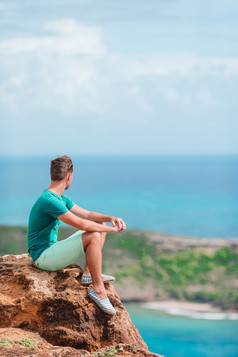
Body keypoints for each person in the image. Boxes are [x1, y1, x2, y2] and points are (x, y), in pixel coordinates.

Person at [27, 155, 126, 315]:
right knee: (94, 234)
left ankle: (88, 274)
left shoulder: (58, 197)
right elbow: (81, 224)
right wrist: (113, 230)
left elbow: (88, 215)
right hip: (43, 258)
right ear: (69, 176)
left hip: (51, 250)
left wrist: (111, 219)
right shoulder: (49, 200)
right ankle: (99, 291)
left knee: (99, 225)